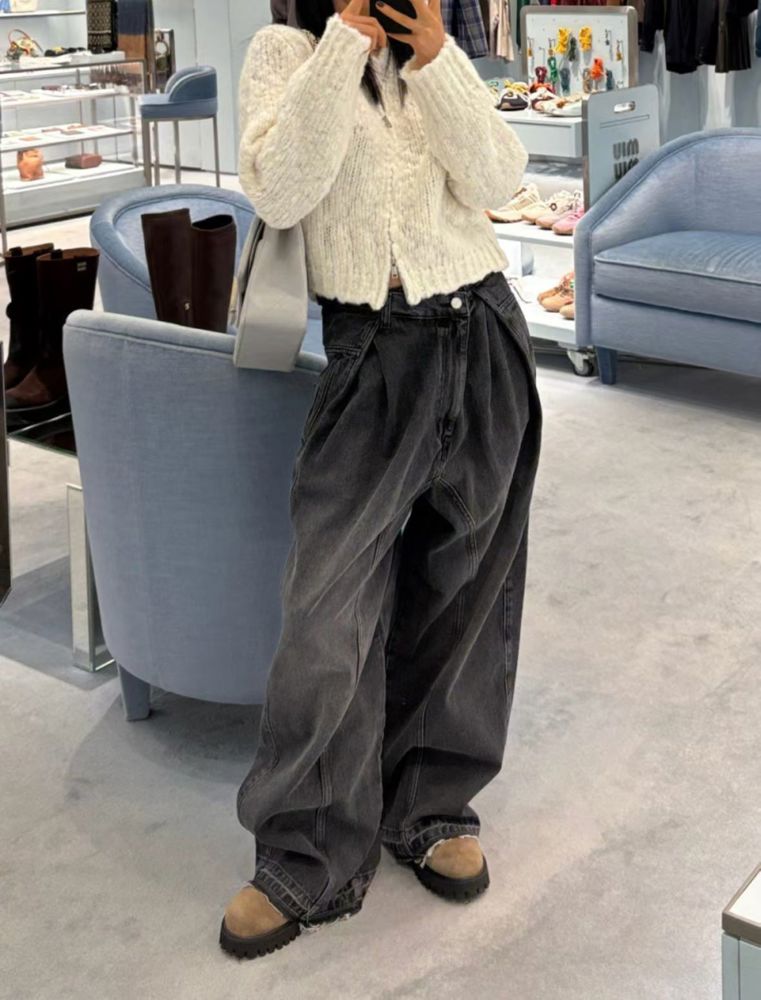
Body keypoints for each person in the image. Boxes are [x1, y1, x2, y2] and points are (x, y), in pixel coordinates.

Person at [220, 0, 543, 960]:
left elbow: (500, 179)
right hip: (370, 348)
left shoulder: (434, 53)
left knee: (466, 590)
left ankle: (432, 806)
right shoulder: (285, 52)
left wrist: (437, 58)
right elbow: (281, 191)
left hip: (482, 332)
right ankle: (306, 850)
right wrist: (344, 45)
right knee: (327, 610)